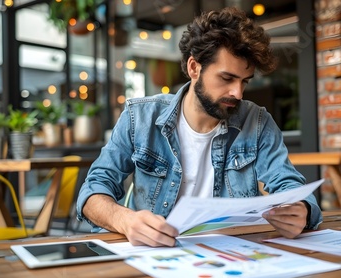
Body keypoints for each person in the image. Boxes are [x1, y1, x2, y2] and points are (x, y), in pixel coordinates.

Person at [77, 6, 322, 247]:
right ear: (194, 67)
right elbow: (93, 190)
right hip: (157, 256)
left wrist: (301, 210)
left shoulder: (257, 122)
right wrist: (125, 220)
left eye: (244, 81)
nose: (237, 93)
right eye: (226, 78)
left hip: (231, 256)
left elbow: (290, 185)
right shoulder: (139, 117)